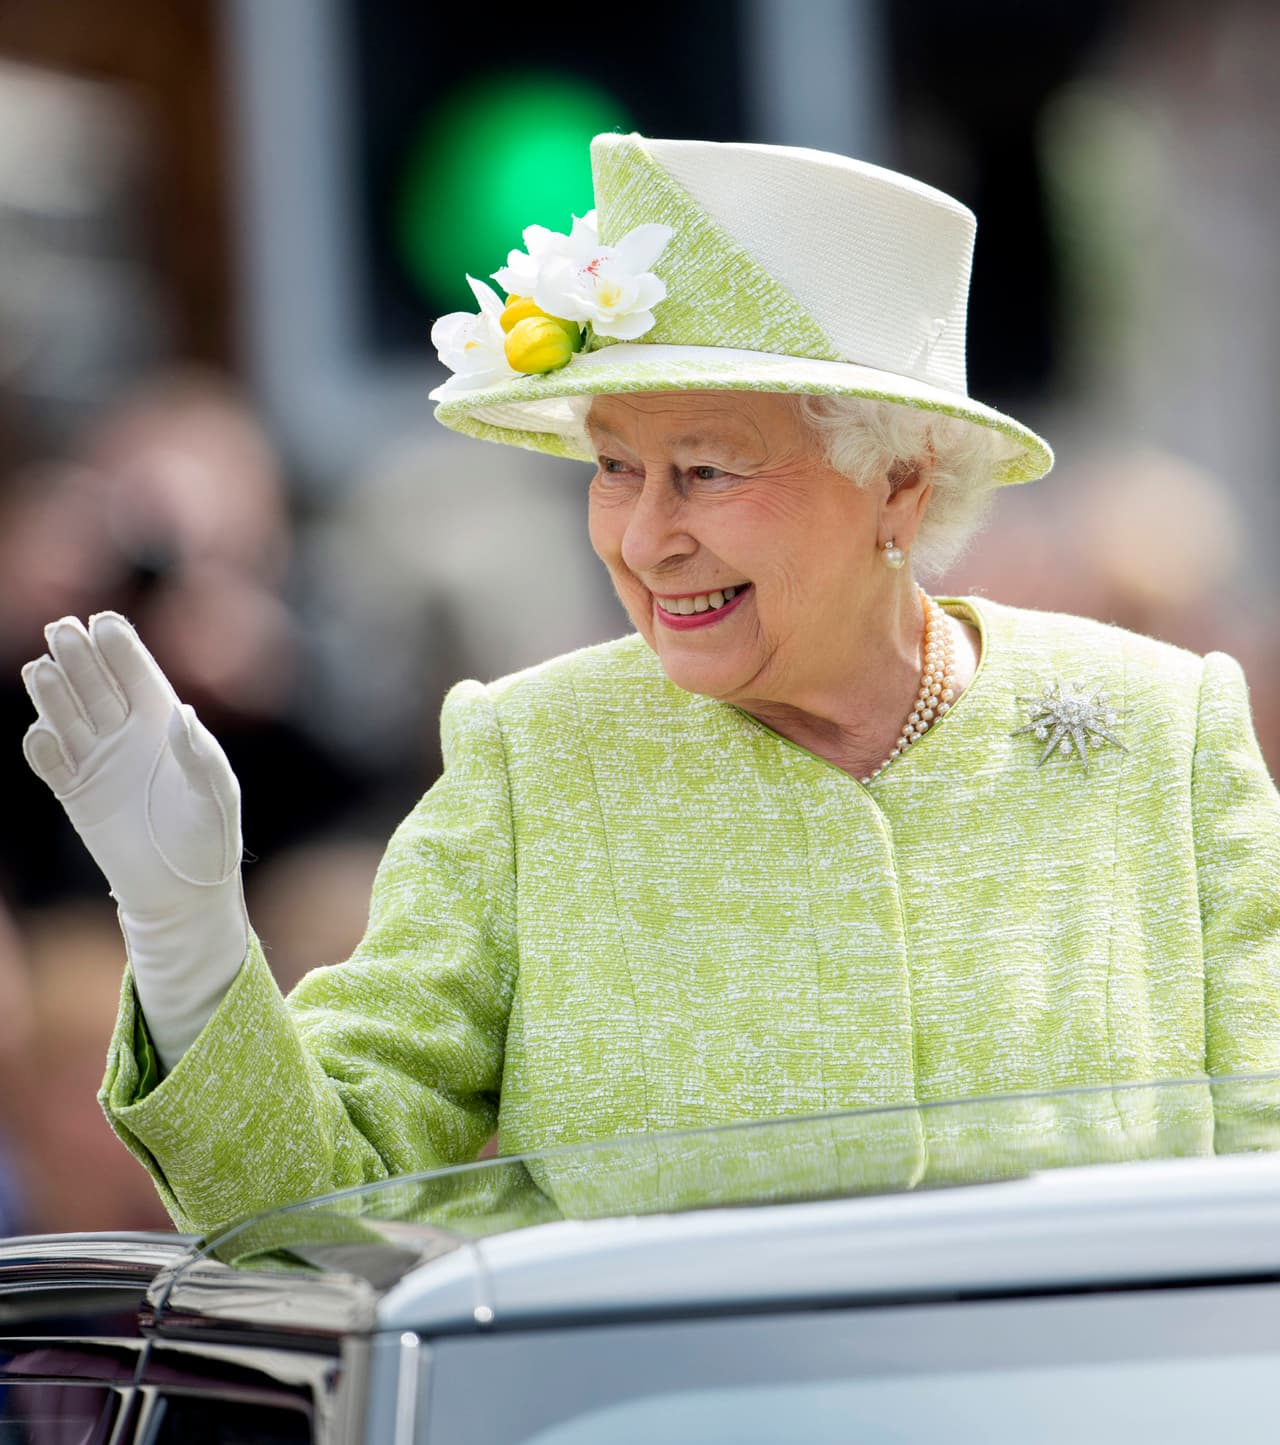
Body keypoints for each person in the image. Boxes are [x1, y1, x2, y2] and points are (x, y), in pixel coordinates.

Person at [21, 134, 1280, 1233]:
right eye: (616, 467)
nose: (642, 535)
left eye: (707, 471)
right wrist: (184, 938)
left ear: (897, 482)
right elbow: (305, 1212)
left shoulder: (1161, 728)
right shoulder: (535, 761)